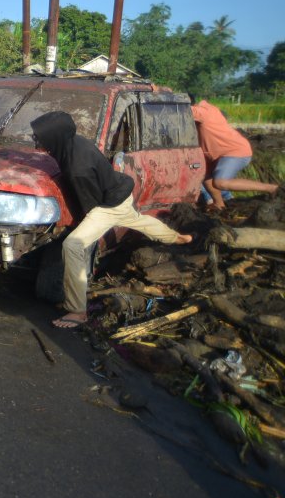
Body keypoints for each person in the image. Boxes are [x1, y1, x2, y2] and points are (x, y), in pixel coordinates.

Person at [31, 111, 191, 329]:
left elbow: (90, 206)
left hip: (107, 204)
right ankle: (176, 237)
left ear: (54, 137)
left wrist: (79, 225)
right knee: (136, 219)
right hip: (120, 191)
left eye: (39, 138)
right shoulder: (72, 142)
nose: (36, 141)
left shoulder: (79, 168)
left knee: (73, 245)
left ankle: (77, 311)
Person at [190, 95, 279, 209]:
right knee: (205, 176)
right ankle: (219, 204)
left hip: (234, 151)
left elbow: (183, 111)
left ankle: (272, 189)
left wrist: (160, 93)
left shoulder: (203, 111)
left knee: (221, 182)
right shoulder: (204, 111)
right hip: (216, 154)